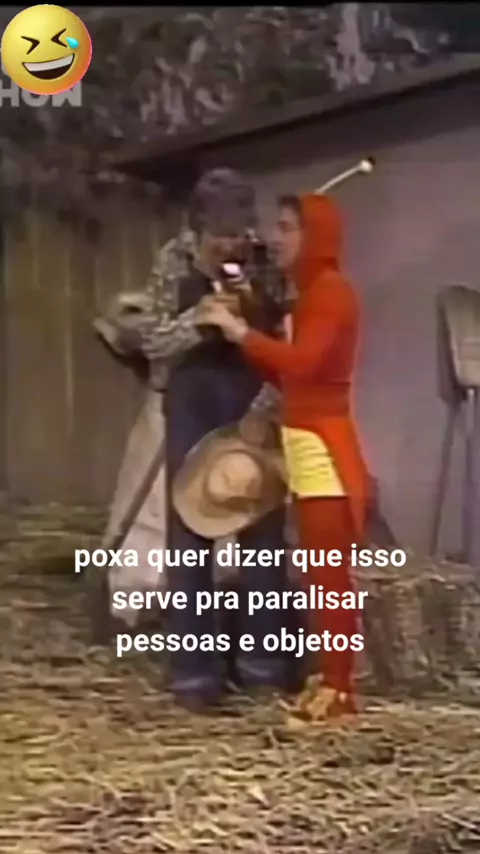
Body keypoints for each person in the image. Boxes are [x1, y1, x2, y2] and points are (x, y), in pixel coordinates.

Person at [97, 169, 290, 711]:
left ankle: (263, 667)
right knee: (190, 537)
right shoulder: (173, 261)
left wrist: (265, 403)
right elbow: (155, 343)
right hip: (193, 401)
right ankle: (195, 674)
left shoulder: (264, 261)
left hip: (251, 400)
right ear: (197, 229)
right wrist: (200, 320)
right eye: (220, 237)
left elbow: (285, 338)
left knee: (263, 536)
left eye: (239, 234)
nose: (232, 246)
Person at [195, 191, 371, 721]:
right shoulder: (312, 293)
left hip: (323, 450)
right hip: (307, 445)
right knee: (320, 576)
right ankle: (331, 678)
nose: (277, 238)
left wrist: (241, 332)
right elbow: (287, 375)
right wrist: (247, 334)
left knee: (329, 579)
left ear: (315, 236)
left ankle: (340, 691)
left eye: (288, 227)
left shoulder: (331, 293)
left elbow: (302, 366)